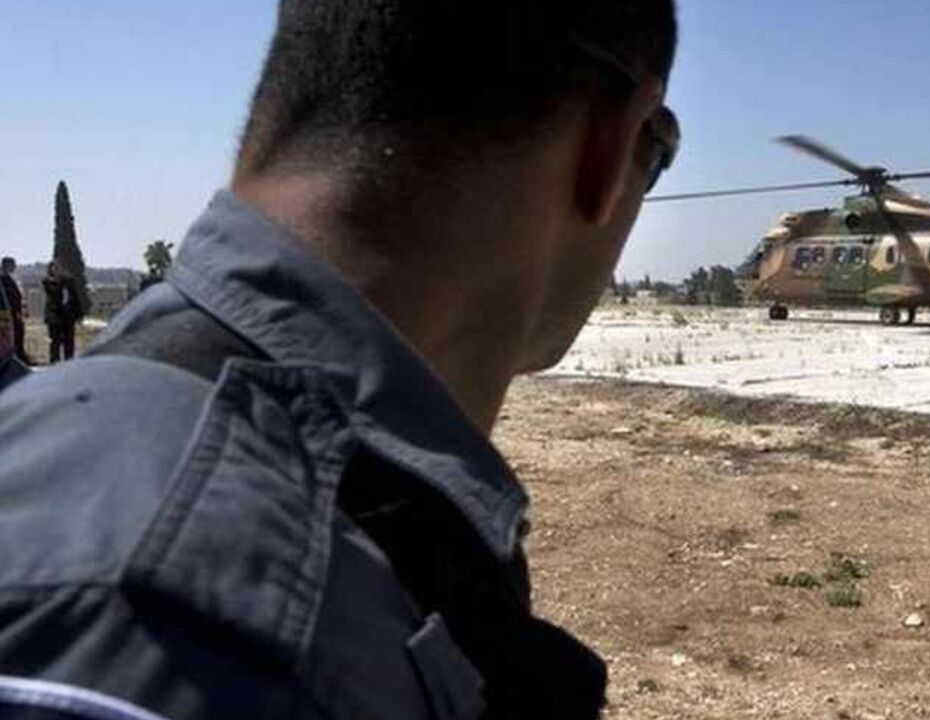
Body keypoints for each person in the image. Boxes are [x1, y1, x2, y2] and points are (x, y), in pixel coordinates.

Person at [0, 1, 678, 719]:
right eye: (656, 154)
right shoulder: (198, 633)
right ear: (608, 146)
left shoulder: (91, 439)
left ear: (281, 101)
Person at [42, 259, 83, 362]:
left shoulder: (69, 281)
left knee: (69, 342)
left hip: (68, 317)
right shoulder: (48, 281)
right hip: (55, 317)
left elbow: (75, 298)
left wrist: (79, 314)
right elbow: (55, 294)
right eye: (54, 267)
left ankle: (69, 362)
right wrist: (62, 281)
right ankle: (55, 363)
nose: (57, 270)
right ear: (50, 269)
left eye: (59, 267)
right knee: (55, 342)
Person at [1, 257, 30, 365]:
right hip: (8, 314)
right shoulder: (3, 280)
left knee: (19, 334)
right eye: (12, 265)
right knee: (15, 336)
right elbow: (11, 298)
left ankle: (20, 356)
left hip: (14, 313)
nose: (14, 267)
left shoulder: (10, 278)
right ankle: (17, 358)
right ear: (6, 265)